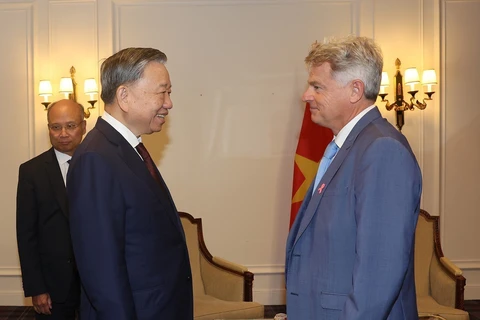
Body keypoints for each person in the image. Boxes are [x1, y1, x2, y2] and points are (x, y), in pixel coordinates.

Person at [285, 36, 422, 319]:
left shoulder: (382, 150)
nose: (306, 95)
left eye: (317, 86)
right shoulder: (347, 145)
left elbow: (379, 272)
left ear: (355, 90)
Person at [67, 47, 193, 320]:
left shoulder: (126, 150)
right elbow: (101, 270)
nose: (169, 103)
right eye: (163, 92)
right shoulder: (96, 158)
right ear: (124, 96)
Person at [16, 99, 85, 319]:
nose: (63, 133)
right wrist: (36, 288)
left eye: (71, 125)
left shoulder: (101, 166)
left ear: (83, 126)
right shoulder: (31, 172)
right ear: (49, 129)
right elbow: (26, 235)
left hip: (95, 282)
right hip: (53, 286)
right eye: (56, 127)